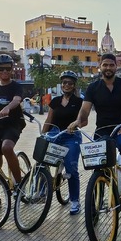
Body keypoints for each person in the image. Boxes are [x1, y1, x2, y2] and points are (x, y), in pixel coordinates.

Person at [69, 53, 121, 198]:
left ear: (116, 67)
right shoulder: (93, 87)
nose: (108, 68)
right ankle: (95, 200)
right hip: (102, 130)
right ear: (100, 67)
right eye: (105, 65)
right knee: (97, 162)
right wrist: (78, 121)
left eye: (111, 65)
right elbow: (85, 110)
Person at [0, 54, 27, 213]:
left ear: (12, 69)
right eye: (1, 69)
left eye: (8, 68)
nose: (5, 71)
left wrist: (8, 107)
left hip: (13, 123)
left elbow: (16, 100)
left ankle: (19, 185)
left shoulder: (16, 86)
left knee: (7, 148)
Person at [43, 71, 83, 215]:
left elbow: (83, 120)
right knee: (42, 160)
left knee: (71, 168)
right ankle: (41, 191)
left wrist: (76, 124)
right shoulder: (55, 101)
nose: (67, 85)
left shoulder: (79, 102)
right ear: (61, 84)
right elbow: (48, 120)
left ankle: (75, 201)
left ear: (74, 86)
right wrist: (43, 135)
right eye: (64, 83)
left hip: (71, 136)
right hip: (55, 134)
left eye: (70, 83)